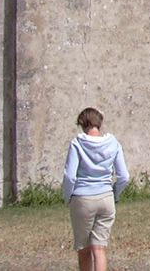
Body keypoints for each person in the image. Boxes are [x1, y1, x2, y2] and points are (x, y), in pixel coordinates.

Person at [62, 108, 130, 271]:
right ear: (99, 123)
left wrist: (67, 196)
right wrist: (115, 194)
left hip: (82, 198)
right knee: (99, 248)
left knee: (84, 249)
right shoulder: (113, 143)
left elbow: (70, 177)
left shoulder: (77, 144)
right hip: (106, 197)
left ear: (83, 123)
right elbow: (124, 176)